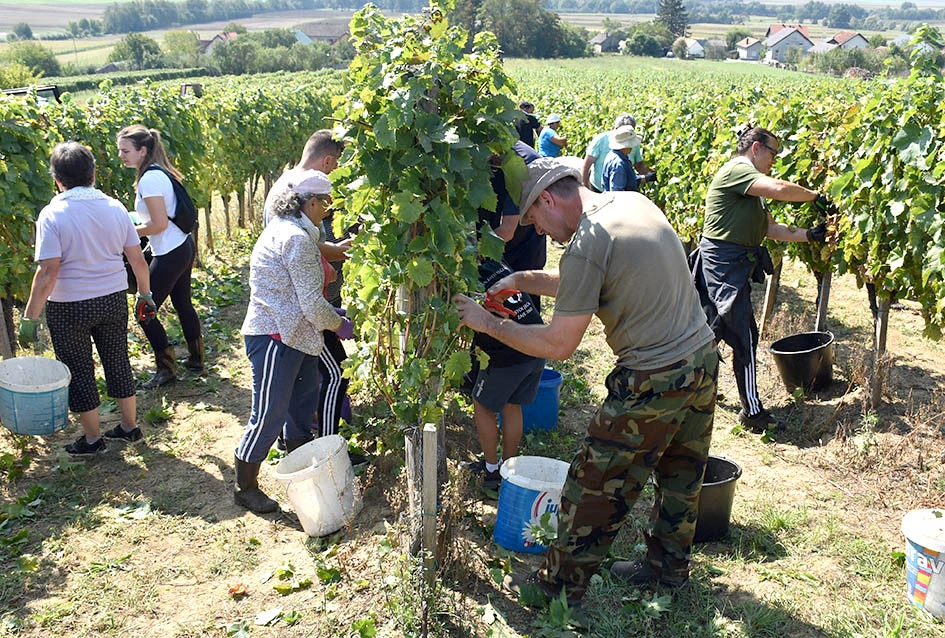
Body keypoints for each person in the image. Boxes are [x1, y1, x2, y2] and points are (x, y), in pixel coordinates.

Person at [454, 158, 719, 603]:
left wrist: (489, 324)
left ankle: (558, 589)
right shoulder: (631, 204)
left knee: (593, 482)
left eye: (535, 220)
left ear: (547, 199)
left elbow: (560, 343)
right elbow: (584, 279)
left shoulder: (587, 241)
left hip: (653, 377)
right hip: (701, 359)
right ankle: (667, 570)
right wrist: (520, 279)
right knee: (681, 474)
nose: (538, 231)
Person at [691, 126, 830, 433]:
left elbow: (770, 229)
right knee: (745, 336)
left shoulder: (748, 188)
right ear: (756, 148)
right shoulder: (738, 170)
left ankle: (681, 391)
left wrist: (809, 235)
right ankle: (751, 412)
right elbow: (779, 189)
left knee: (708, 333)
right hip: (722, 264)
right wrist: (815, 197)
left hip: (729, 264)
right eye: (772, 153)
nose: (774, 160)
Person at [19, 142, 155, 455]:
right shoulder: (115, 207)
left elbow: (48, 273)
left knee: (79, 371)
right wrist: (145, 294)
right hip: (112, 299)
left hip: (69, 307)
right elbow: (136, 259)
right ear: (93, 173)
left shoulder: (52, 214)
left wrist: (30, 316)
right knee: (118, 359)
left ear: (57, 179)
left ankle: (93, 440)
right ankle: (130, 427)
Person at [234, 170, 354, 513]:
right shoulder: (296, 239)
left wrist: (331, 317)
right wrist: (339, 324)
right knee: (270, 412)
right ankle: (245, 486)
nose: (328, 212)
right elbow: (313, 305)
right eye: (325, 204)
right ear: (311, 202)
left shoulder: (292, 230)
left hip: (298, 335)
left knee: (301, 407)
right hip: (275, 335)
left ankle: (300, 471)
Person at [265, 130, 352, 439]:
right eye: (336, 165)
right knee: (332, 373)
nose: (328, 208)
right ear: (327, 160)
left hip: (304, 305)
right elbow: (303, 248)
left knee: (311, 377)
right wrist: (334, 320)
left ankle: (304, 438)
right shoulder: (298, 194)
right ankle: (326, 443)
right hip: (301, 309)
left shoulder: (290, 186)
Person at [116, 125, 203, 389]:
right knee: (182, 303)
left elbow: (158, 224)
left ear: (143, 151)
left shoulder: (150, 179)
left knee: (144, 311)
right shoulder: (156, 173)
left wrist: (126, 232)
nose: (121, 155)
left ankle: (166, 370)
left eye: (126, 150)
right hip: (180, 246)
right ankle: (197, 360)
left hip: (170, 252)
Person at [582, 113, 654, 193]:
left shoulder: (616, 154)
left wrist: (648, 177)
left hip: (608, 194)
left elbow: (633, 170)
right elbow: (617, 191)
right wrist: (586, 188)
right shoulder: (618, 163)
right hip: (599, 190)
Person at [600, 125, 643, 192]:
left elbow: (626, 180)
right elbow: (617, 192)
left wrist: (646, 178)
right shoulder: (618, 164)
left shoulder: (615, 155)